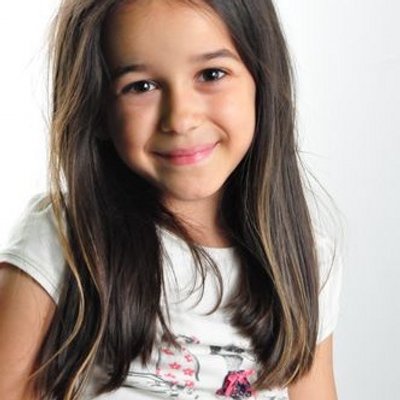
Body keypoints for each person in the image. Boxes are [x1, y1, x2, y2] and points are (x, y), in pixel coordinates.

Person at [0, 0, 343, 399]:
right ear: (97, 108)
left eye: (211, 74)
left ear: (262, 83)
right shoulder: (66, 238)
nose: (180, 118)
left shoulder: (307, 259)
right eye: (141, 86)